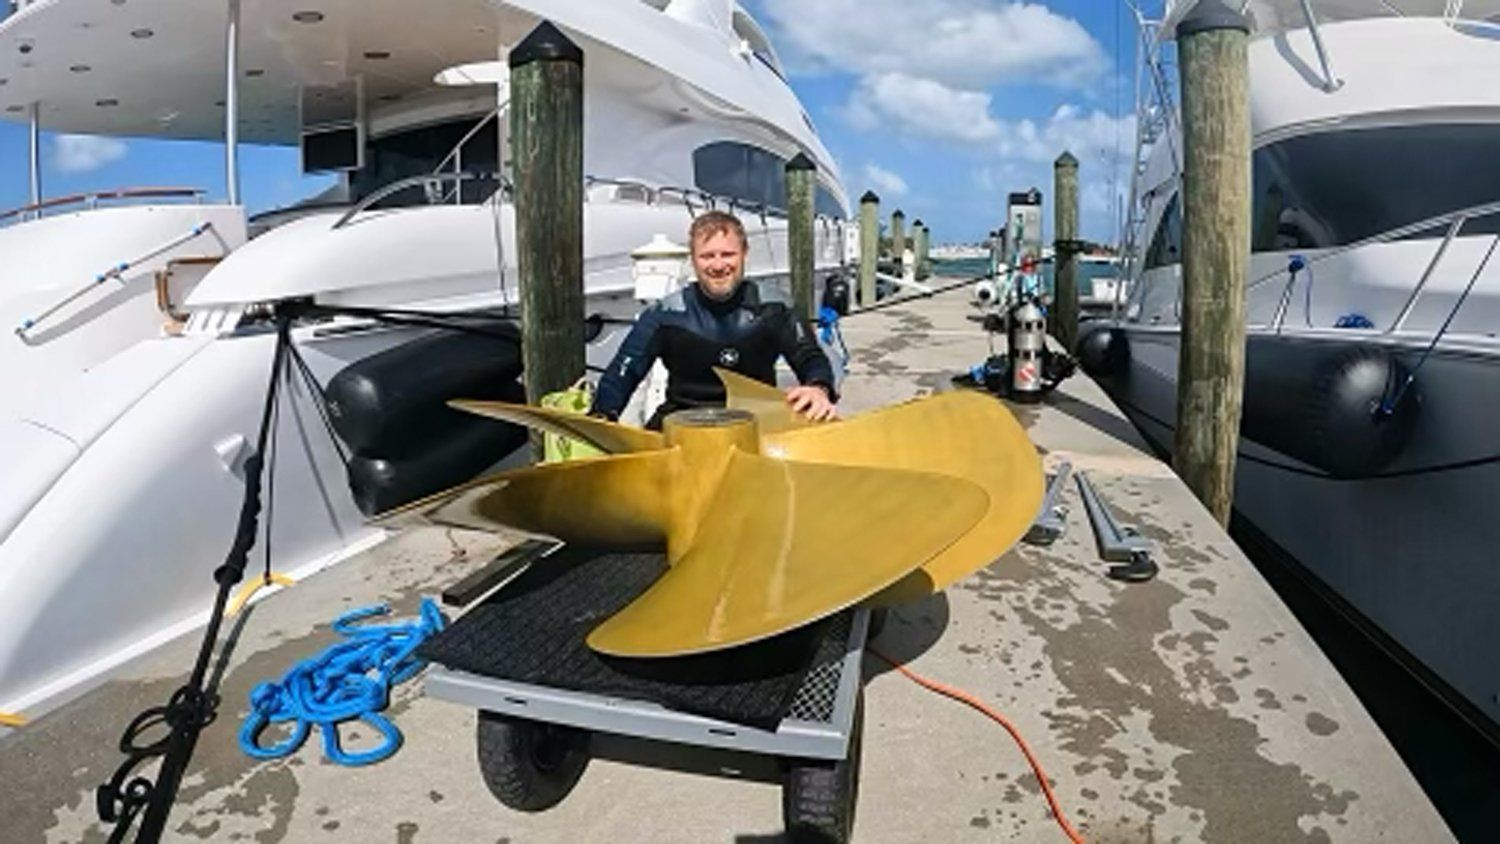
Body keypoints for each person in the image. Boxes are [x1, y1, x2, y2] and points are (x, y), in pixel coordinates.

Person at [592, 210, 838, 429]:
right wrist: (602, 416)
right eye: (707, 256)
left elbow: (809, 356)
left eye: (728, 254)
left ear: (744, 255)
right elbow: (624, 370)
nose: (718, 265)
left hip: (753, 424)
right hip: (682, 422)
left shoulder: (775, 307)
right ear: (693, 260)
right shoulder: (665, 314)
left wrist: (818, 387)